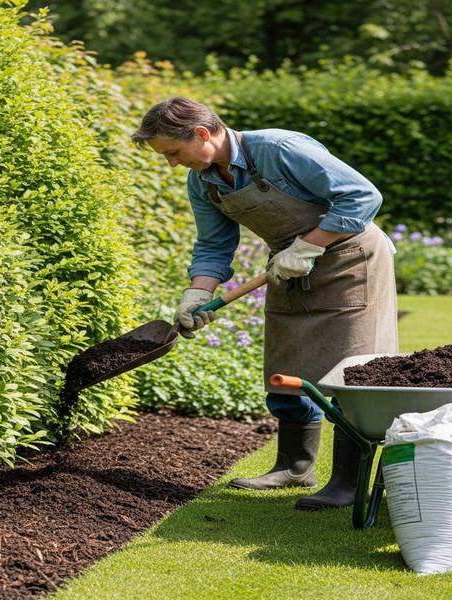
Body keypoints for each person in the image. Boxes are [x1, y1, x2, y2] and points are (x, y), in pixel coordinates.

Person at [132, 97, 398, 510]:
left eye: (174, 153)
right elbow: (214, 245)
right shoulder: (202, 180)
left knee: (352, 371)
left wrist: (308, 247)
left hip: (350, 261)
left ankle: (347, 481)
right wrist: (197, 293)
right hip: (288, 265)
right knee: (284, 369)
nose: (172, 164)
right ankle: (294, 466)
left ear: (202, 134)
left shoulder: (278, 149)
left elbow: (362, 196)